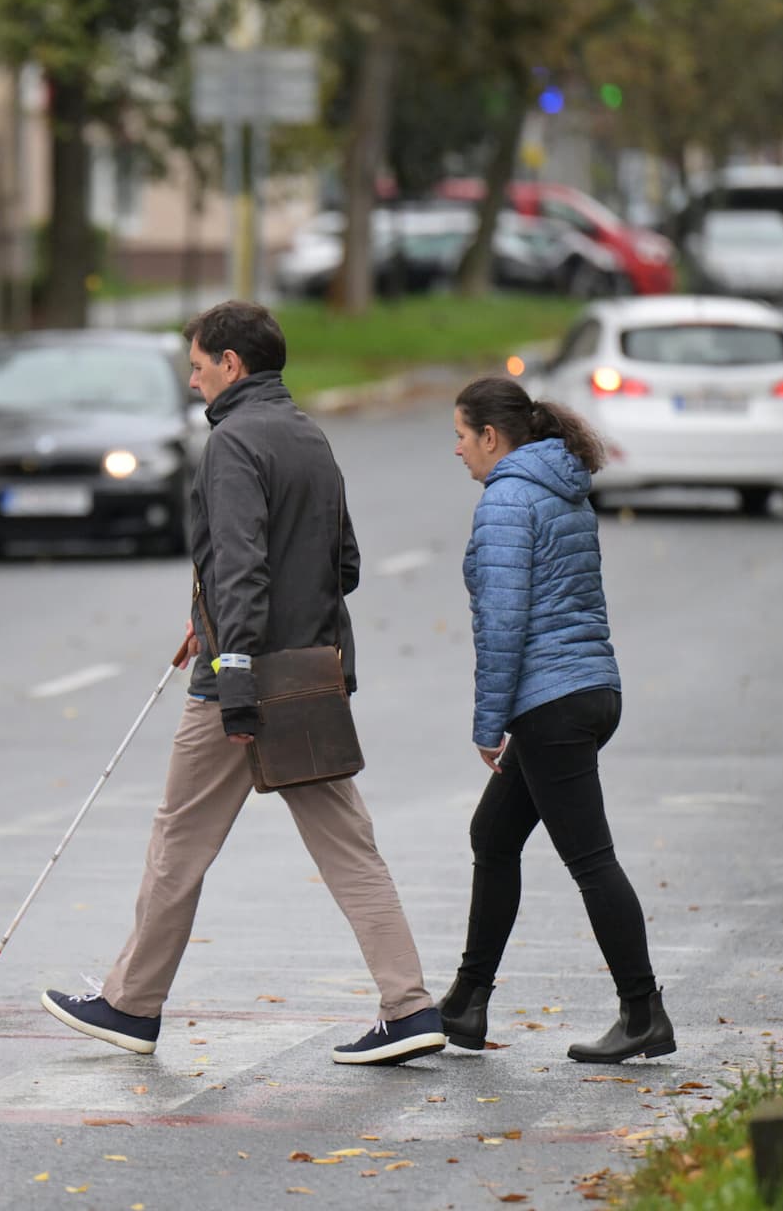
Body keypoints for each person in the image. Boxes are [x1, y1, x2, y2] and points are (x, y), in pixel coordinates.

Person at [40, 300, 445, 1067]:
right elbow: (343, 565)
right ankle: (410, 1005)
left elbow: (240, 566)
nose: (192, 383)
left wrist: (232, 665)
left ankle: (131, 1004)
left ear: (232, 364)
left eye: (197, 367)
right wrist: (253, 621)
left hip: (243, 684)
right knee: (350, 848)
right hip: (311, 678)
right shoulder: (310, 438)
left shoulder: (231, 444)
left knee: (178, 843)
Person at [437, 375, 674, 1064]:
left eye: (460, 435)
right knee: (493, 832)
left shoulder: (508, 498)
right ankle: (467, 1002)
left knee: (591, 860)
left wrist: (490, 722)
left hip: (551, 703)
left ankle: (643, 1013)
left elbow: (505, 621)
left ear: (491, 436)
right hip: (589, 690)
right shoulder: (562, 489)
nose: (457, 451)